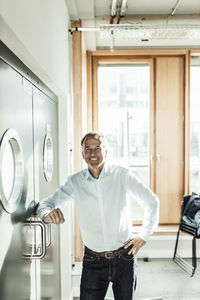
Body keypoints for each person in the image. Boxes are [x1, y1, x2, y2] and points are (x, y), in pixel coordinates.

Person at [37, 132, 159, 300]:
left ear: (106, 152)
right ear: (82, 154)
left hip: (124, 258)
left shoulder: (122, 175)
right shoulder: (75, 182)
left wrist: (144, 234)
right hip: (93, 261)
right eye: (88, 149)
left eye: (97, 148)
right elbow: (45, 204)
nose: (92, 153)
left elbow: (152, 202)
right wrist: (46, 214)